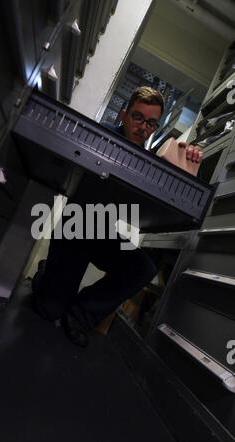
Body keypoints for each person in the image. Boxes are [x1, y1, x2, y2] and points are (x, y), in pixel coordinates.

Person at [31, 86, 203, 347]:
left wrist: (189, 158)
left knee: (142, 268)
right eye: (138, 117)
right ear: (124, 114)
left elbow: (172, 190)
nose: (143, 127)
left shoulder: (149, 162)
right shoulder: (98, 137)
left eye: (151, 123)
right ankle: (46, 275)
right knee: (49, 310)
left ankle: (80, 315)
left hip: (104, 234)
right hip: (75, 228)